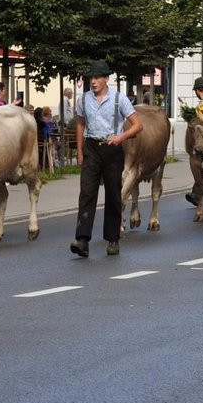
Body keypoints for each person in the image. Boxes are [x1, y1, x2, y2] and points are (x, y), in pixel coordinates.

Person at [72, 60, 142, 258]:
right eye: (90, 78)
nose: (92, 82)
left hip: (112, 148)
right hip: (92, 147)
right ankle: (82, 239)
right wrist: (79, 151)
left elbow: (138, 125)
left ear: (105, 79)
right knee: (86, 192)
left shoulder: (119, 99)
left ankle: (113, 239)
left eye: (96, 78)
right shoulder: (84, 99)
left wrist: (120, 137)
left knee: (113, 194)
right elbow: (80, 125)